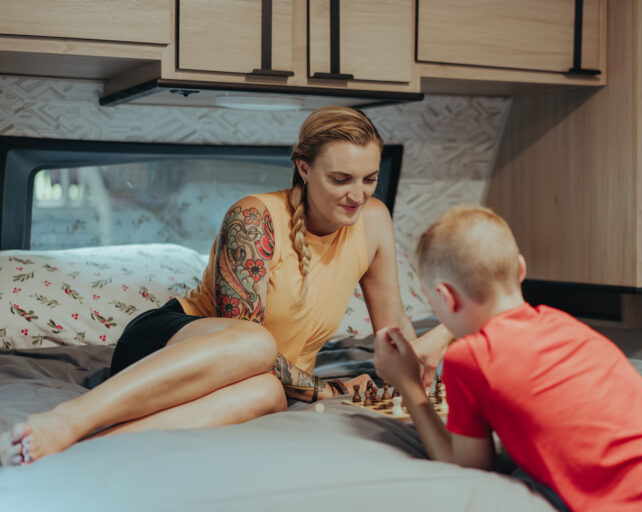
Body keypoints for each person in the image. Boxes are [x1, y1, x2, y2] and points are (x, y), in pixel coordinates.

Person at [0, 106, 452, 466]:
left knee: (267, 395)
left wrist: (447, 334)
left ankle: (82, 451)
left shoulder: (373, 220)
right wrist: (328, 390)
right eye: (340, 179)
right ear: (304, 168)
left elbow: (392, 331)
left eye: (369, 179)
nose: (358, 194)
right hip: (169, 347)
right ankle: (67, 419)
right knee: (256, 346)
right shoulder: (254, 218)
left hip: (270, 379)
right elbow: (243, 348)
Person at [374, 205, 642, 512]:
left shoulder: (468, 358)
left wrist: (407, 383)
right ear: (521, 269)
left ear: (444, 298)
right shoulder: (563, 323)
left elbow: (466, 465)